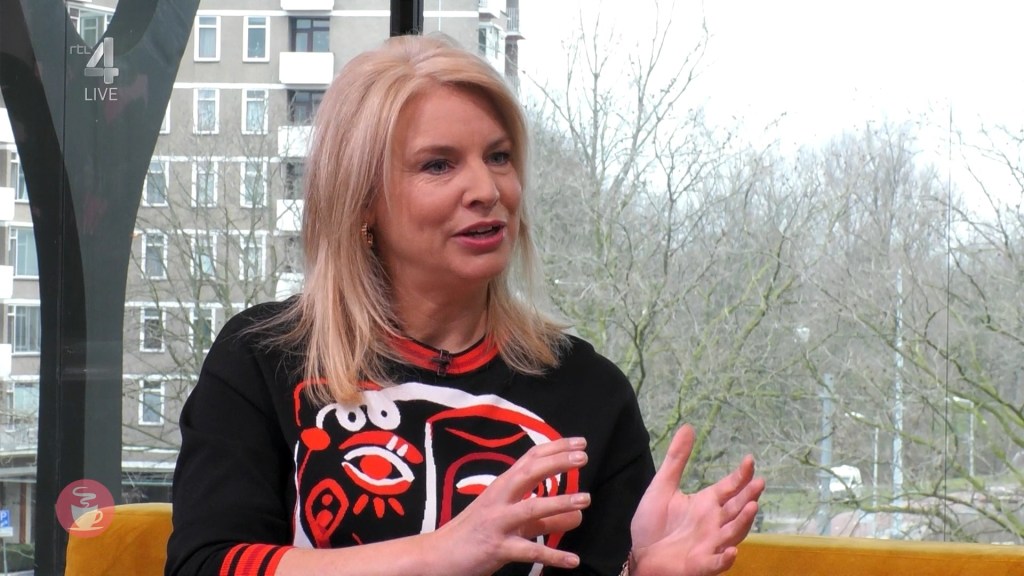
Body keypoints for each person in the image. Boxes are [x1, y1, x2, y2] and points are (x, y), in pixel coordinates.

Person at [166, 34, 763, 576]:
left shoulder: (591, 391)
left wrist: (642, 571)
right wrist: (440, 553)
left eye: (498, 157)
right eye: (438, 164)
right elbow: (207, 564)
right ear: (362, 199)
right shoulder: (264, 357)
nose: (486, 189)